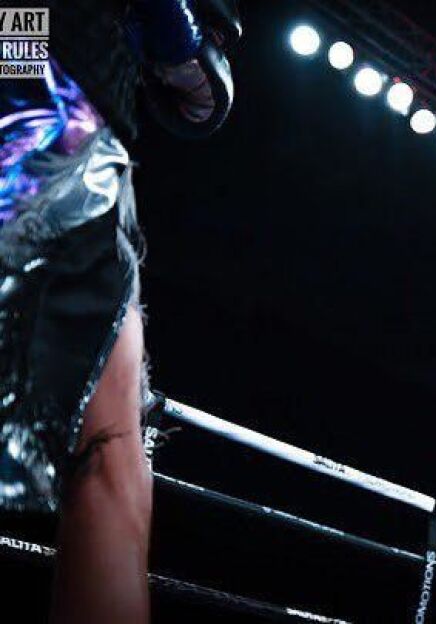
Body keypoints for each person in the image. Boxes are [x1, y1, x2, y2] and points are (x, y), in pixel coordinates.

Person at [0, 1, 240, 622]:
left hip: (45, 86)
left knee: (116, 450)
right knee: (108, 458)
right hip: (49, 103)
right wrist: (177, 40)